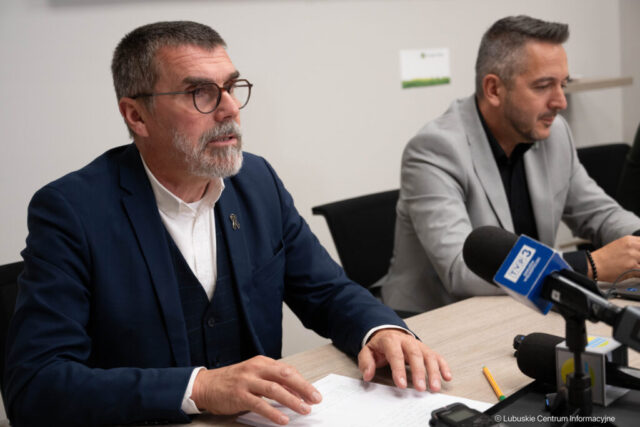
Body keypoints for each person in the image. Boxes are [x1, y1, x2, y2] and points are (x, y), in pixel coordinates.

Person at [4, 21, 451, 426]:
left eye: (232, 87)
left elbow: (327, 291)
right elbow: (35, 384)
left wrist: (380, 329)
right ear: (137, 116)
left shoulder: (256, 181)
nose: (230, 108)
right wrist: (197, 388)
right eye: (201, 93)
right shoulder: (72, 211)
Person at [377, 15, 640, 314]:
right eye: (544, 86)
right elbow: (460, 269)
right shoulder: (434, 150)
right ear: (494, 89)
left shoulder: (553, 133)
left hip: (519, 307)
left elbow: (600, 214)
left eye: (563, 84)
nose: (560, 102)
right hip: (435, 319)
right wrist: (590, 264)